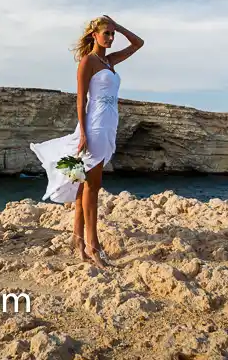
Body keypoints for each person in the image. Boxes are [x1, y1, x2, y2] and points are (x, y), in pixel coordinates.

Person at [30, 15, 144, 268]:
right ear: (94, 34)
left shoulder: (110, 61)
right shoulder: (88, 62)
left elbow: (139, 43)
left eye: (113, 34)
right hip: (94, 126)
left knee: (84, 187)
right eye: (107, 33)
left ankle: (78, 242)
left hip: (109, 124)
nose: (111, 38)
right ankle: (94, 247)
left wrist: (117, 24)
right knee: (92, 187)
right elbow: (80, 100)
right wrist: (83, 133)